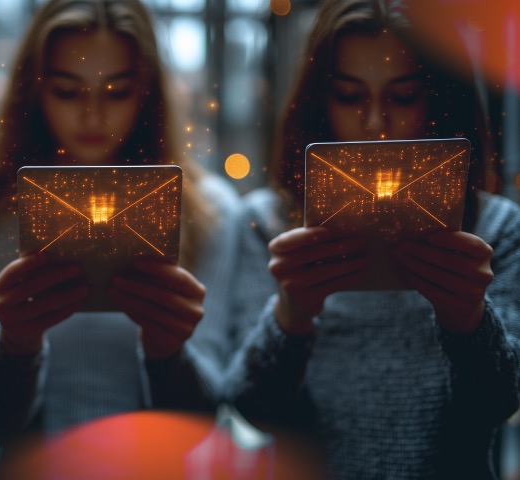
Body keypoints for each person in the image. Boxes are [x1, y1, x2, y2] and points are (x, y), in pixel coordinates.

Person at [221, 0, 520, 478]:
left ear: (441, 98)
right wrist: (290, 318)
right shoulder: (265, 223)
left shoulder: (496, 228)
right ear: (320, 101)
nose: (376, 125)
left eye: (403, 97)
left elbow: (500, 405)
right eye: (348, 95)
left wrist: (469, 322)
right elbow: (254, 410)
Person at [0, 0, 242, 453]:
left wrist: (167, 352)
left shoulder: (211, 212)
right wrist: (15, 342)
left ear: (147, 93)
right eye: (69, 92)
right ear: (35, 91)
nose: (92, 115)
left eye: (116, 91)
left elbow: (203, 418)